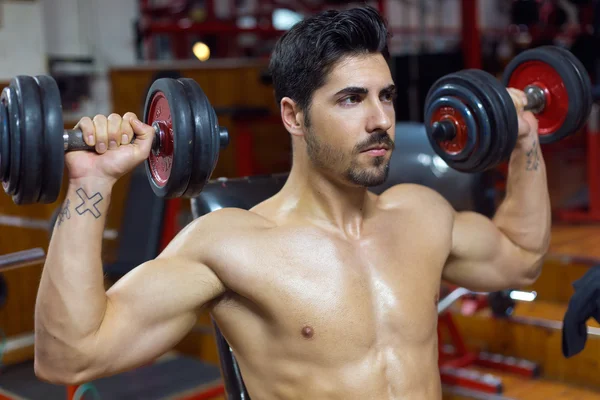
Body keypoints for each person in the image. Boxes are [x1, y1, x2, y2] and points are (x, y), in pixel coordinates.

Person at [34, 6, 550, 400]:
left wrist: (525, 136)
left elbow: (522, 258)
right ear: (293, 116)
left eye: (386, 96)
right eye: (352, 99)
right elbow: (70, 357)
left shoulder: (420, 214)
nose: (381, 120)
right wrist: (91, 183)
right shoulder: (231, 246)